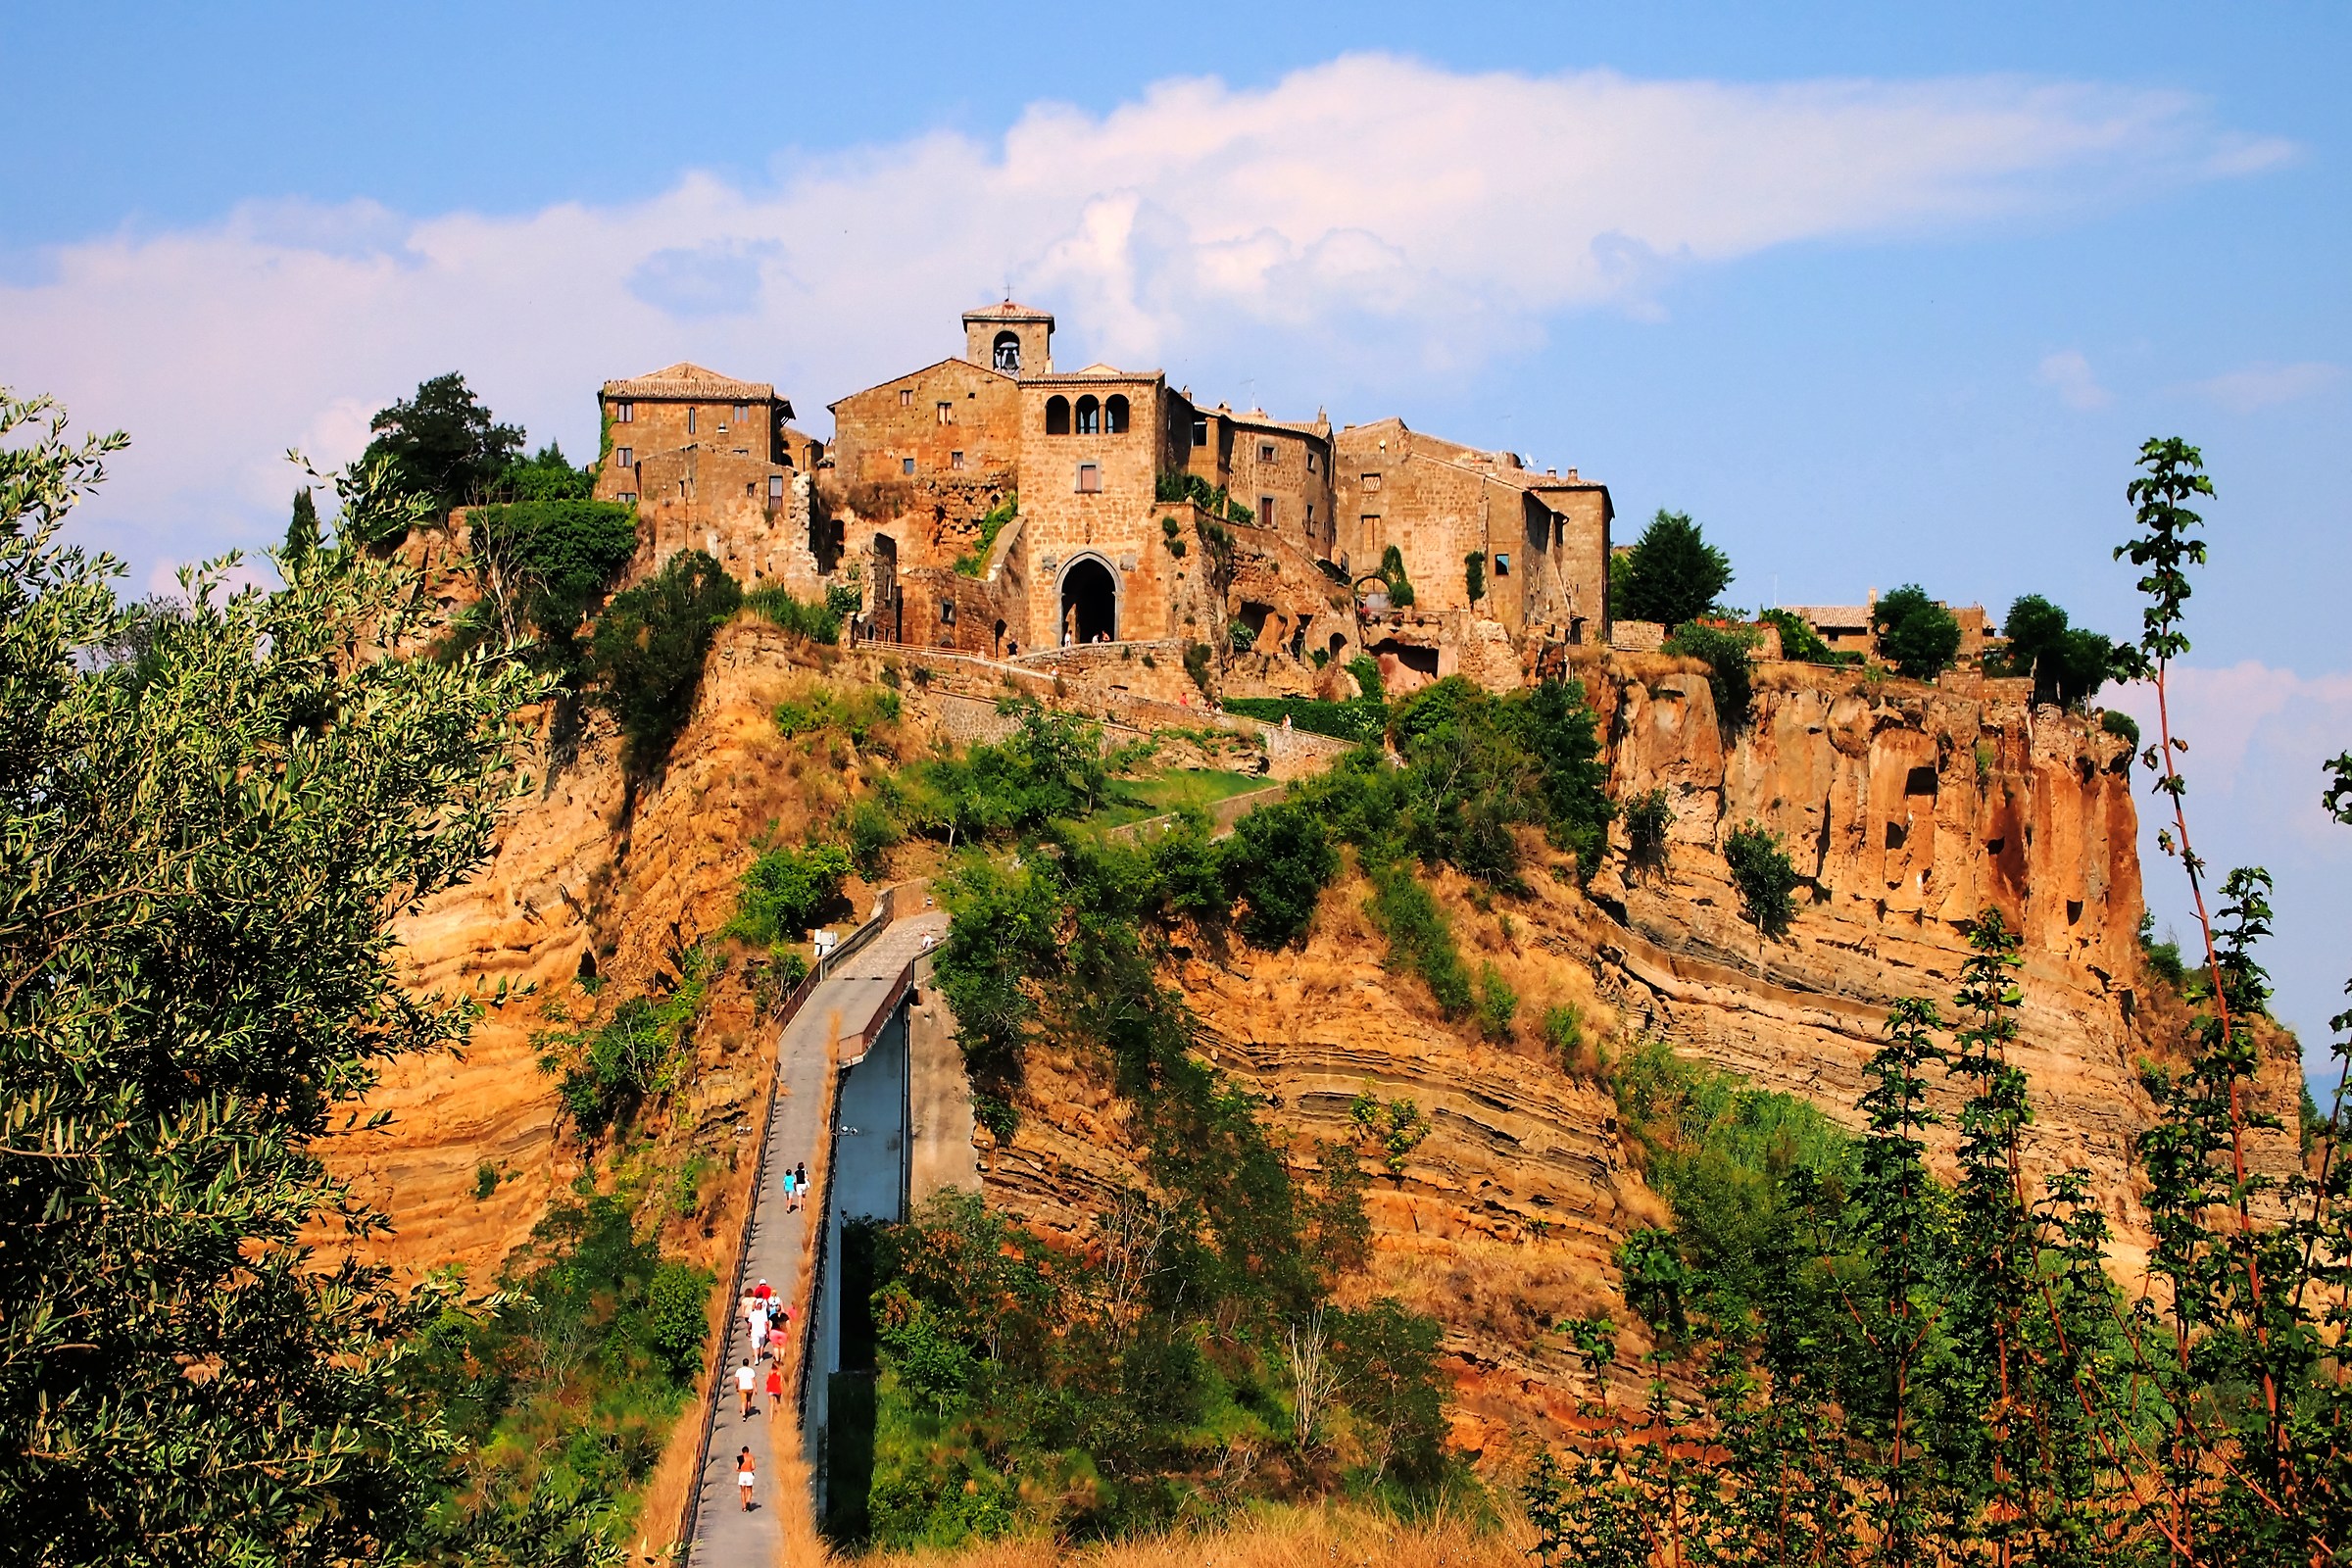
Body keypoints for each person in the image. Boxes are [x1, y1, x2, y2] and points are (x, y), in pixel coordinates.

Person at [737, 1446, 756, 1512]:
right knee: (749, 1490)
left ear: (742, 1451)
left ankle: (744, 1507)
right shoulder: (751, 1457)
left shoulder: (740, 1458)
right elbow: (753, 1467)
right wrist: (749, 1469)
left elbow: (737, 1468)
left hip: (742, 1474)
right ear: (748, 1451)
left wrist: (742, 1469)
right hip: (748, 1474)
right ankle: (747, 1501)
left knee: (742, 1491)